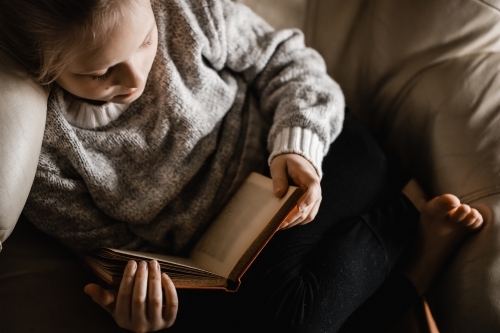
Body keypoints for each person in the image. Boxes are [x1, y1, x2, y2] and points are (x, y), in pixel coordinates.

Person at [0, 0, 484, 332]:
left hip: (313, 161)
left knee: (293, 317)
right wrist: (147, 306)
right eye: (100, 73)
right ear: (44, 69)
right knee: (279, 315)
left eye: (145, 42)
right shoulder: (48, 153)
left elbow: (292, 67)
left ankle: (402, 221)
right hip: (234, 257)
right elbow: (112, 253)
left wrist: (296, 146)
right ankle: (405, 259)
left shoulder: (184, 11)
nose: (135, 78)